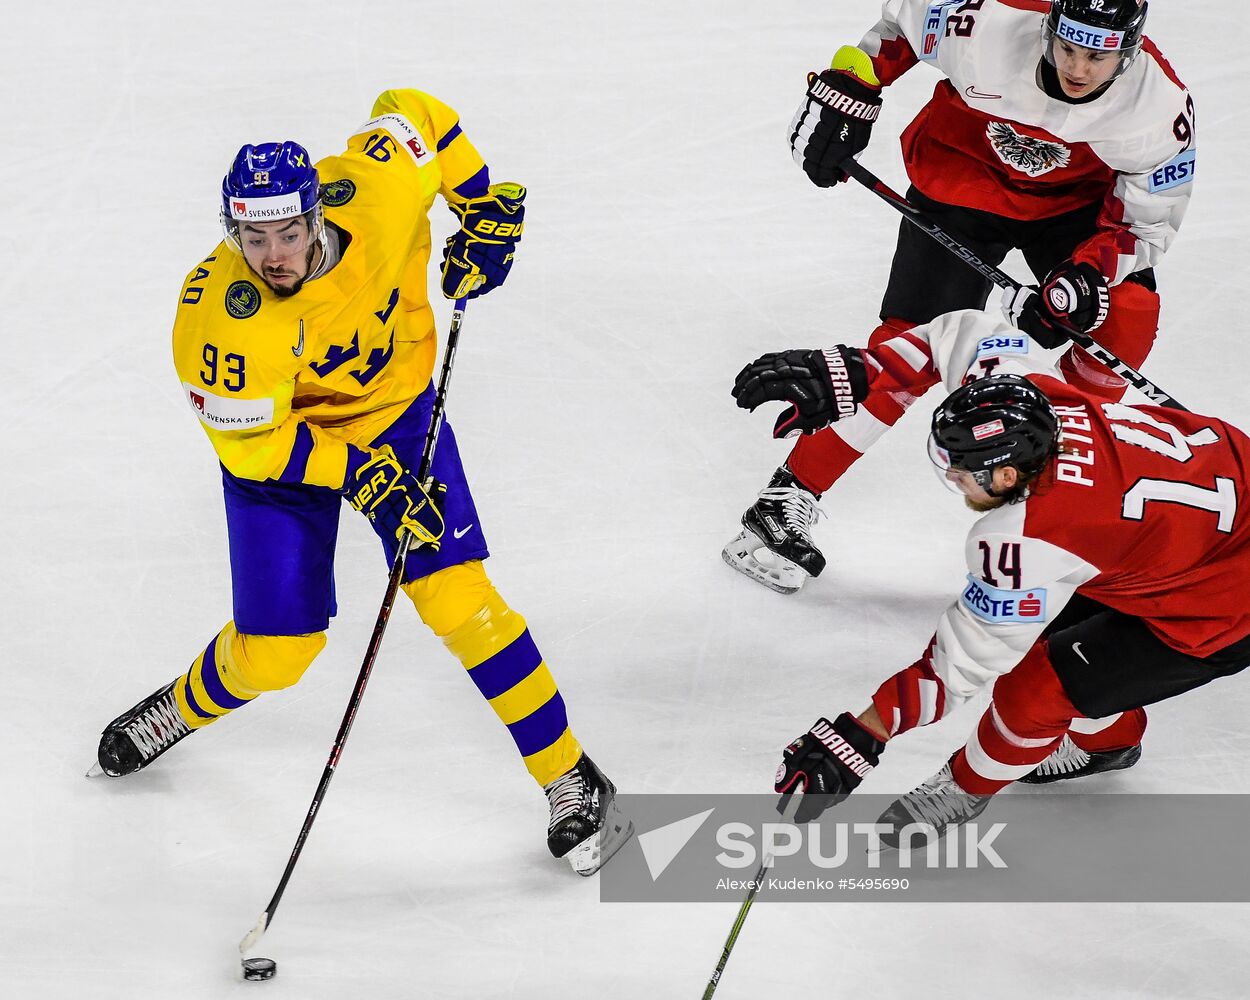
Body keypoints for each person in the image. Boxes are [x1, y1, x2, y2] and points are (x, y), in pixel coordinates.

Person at [88, 89, 631, 876]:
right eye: (253, 237)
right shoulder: (219, 321)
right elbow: (253, 451)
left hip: (394, 414)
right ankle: (180, 706)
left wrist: (479, 208)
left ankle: (569, 775)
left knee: (456, 598)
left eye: (288, 232)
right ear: (232, 232)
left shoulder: (377, 188)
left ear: (317, 215)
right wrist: (360, 476)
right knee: (278, 655)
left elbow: (419, 115)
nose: (273, 255)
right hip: (288, 450)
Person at [724, 0, 1196, 594]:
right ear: (1049, 28)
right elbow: (899, 26)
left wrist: (1085, 276)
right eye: (1067, 47)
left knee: (1126, 315)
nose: (1077, 68)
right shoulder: (987, 23)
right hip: (960, 183)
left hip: (1074, 213)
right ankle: (787, 495)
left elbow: (1142, 226)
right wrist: (850, 85)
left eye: (1097, 57)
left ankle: (1065, 485)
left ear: (1128, 52)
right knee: (903, 350)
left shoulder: (1158, 107)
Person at [732, 308, 1250, 833]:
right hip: (1185, 527)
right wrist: (859, 370)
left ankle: (964, 789)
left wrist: (861, 735)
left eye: (960, 473)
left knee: (1035, 690)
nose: (953, 481)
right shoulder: (1033, 398)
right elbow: (964, 333)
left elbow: (957, 668)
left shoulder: (1031, 535)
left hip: (1221, 603)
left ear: (1005, 475)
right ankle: (1109, 740)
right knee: (1056, 637)